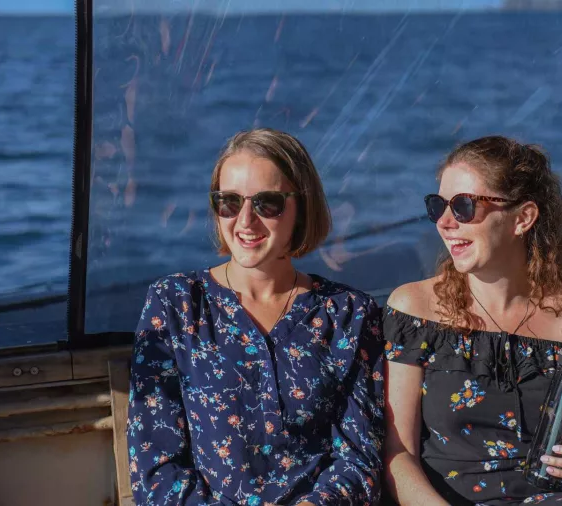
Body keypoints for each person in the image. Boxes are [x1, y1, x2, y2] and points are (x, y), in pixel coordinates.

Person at [127, 128, 385, 506]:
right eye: (228, 202)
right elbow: (155, 465)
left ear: (301, 207)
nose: (245, 220)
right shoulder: (176, 304)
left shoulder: (348, 314)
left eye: (267, 204)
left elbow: (360, 458)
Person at [382, 136, 562, 506]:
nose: (445, 222)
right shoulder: (414, 309)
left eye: (464, 206)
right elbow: (397, 454)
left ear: (523, 218)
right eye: (438, 206)